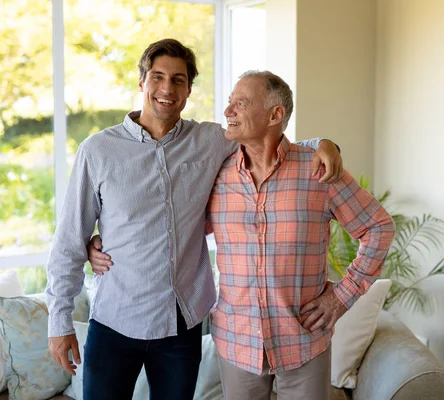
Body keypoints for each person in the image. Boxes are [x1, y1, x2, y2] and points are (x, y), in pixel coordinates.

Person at [45, 39, 343, 400]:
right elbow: (69, 241)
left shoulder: (211, 140)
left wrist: (325, 143)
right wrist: (59, 322)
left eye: (178, 80)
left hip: (181, 329)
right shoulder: (98, 151)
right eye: (157, 77)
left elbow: (268, 138)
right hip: (114, 323)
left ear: (188, 90)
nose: (167, 89)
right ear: (142, 82)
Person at [90, 70, 395, 400]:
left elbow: (378, 226)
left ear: (275, 114)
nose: (227, 112)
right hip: (237, 344)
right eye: (229, 103)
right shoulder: (215, 172)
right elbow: (171, 225)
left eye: (240, 103)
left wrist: (342, 295)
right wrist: (103, 242)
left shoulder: (317, 171)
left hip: (304, 339)